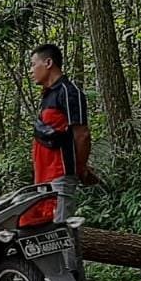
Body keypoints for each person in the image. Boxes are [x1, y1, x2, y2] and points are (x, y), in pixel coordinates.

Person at [23, 44, 97, 227]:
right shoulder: (48, 95)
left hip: (60, 175)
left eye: (33, 64)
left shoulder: (69, 92)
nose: (31, 71)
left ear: (48, 63)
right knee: (44, 234)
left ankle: (71, 258)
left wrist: (80, 169)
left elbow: (82, 135)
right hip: (43, 178)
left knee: (61, 234)